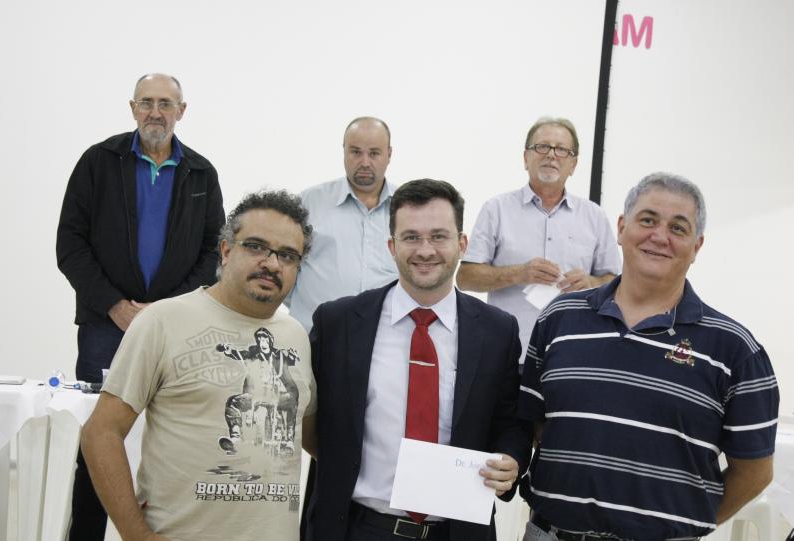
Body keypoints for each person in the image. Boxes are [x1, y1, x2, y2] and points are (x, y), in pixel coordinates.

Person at [518, 173, 779, 540]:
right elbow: (535, 425)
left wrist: (683, 526)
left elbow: (754, 472)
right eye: (648, 220)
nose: (660, 236)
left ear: (697, 246)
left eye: (678, 228)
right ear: (621, 228)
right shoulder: (559, 318)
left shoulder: (736, 350)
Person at [81, 191, 317, 541]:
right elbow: (100, 433)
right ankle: (235, 439)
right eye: (256, 247)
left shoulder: (296, 335)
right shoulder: (163, 321)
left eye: (287, 255)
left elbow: (313, 434)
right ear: (226, 250)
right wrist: (135, 534)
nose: (271, 263)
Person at [307, 179, 530, 540]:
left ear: (462, 244)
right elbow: (309, 418)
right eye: (411, 237)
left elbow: (510, 421)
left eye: (439, 236)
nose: (425, 250)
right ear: (392, 246)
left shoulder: (497, 331)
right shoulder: (339, 323)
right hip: (357, 528)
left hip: (456, 532)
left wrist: (511, 459)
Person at [56, 72, 224, 540]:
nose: (155, 112)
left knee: (178, 437)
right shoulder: (98, 162)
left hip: (177, 330)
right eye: (146, 102)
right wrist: (116, 307)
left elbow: (214, 254)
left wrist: (165, 311)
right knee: (98, 440)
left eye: (165, 103)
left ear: (181, 111)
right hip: (105, 329)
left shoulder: (202, 173)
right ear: (132, 108)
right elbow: (70, 245)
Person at [456, 116, 620, 352]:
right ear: (526, 158)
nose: (551, 155)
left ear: (573, 165)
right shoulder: (496, 209)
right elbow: (465, 278)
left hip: (571, 349)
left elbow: (616, 283)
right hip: (508, 350)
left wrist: (591, 283)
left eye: (562, 150)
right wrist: (519, 273)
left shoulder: (594, 216)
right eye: (542, 147)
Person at [287, 116, 398, 332]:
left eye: (374, 153)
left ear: (389, 154)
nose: (364, 162)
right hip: (314, 336)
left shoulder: (408, 208)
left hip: (385, 339)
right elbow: (283, 265)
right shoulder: (308, 203)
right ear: (344, 151)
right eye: (355, 152)